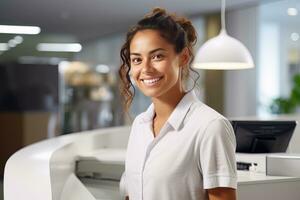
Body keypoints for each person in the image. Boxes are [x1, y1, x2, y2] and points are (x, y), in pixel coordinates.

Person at [119, 7, 237, 200]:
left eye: (157, 56)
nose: (146, 68)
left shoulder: (210, 127)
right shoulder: (139, 125)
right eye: (137, 59)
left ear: (183, 57)